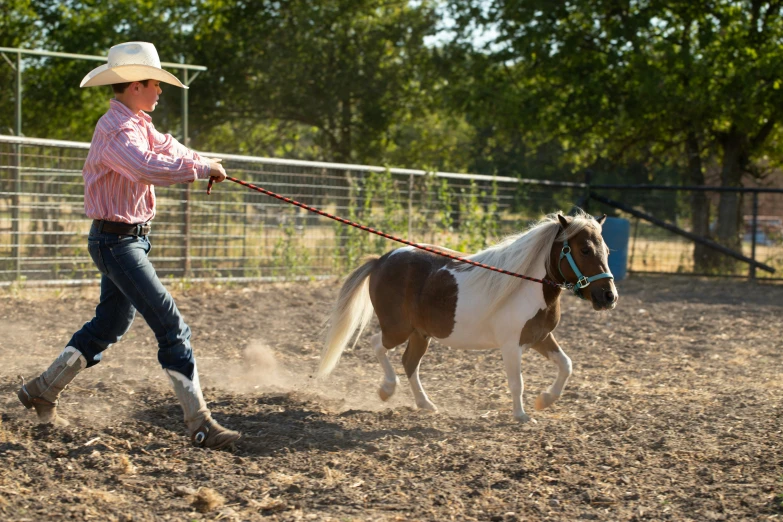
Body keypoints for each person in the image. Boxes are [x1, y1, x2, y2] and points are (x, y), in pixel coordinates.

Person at [17, 42, 240, 450]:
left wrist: (204, 160)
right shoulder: (116, 130)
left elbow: (166, 148)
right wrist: (200, 169)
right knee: (171, 326)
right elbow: (144, 166)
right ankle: (199, 422)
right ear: (134, 84)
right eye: (155, 83)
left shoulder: (137, 122)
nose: (159, 91)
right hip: (116, 242)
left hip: (126, 240)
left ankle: (42, 389)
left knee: (110, 325)